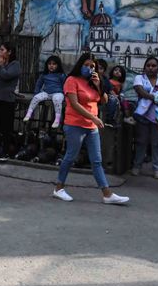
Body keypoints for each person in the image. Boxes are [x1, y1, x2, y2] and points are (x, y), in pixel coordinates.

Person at [51, 52, 130, 205]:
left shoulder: (93, 82)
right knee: (70, 156)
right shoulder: (71, 80)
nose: (89, 68)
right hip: (75, 125)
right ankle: (58, 188)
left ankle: (107, 194)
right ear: (80, 65)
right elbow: (74, 104)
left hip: (91, 126)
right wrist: (93, 117)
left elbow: (104, 101)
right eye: (86, 65)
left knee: (96, 160)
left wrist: (99, 85)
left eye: (92, 66)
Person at [132, 56, 158, 179]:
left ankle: (157, 168)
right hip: (142, 115)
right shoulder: (139, 78)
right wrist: (156, 98)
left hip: (157, 117)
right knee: (141, 142)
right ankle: (137, 166)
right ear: (145, 67)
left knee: (157, 144)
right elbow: (140, 91)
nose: (151, 68)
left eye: (153, 66)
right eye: (148, 65)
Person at [23, 55, 66, 128]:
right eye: (49, 64)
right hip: (46, 93)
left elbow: (65, 85)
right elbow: (38, 84)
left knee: (57, 99)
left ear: (58, 65)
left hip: (58, 93)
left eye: (54, 64)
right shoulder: (44, 75)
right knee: (36, 97)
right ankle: (29, 113)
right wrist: (36, 93)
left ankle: (57, 119)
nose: (51, 66)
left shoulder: (61, 75)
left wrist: (65, 96)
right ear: (47, 65)